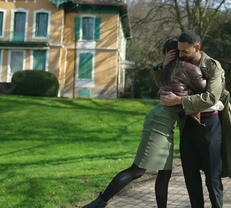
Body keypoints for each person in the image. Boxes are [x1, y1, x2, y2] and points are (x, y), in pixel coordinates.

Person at [83, 37, 211, 208]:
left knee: (165, 174)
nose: (183, 52)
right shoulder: (187, 69)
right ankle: (99, 203)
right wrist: (219, 75)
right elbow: (210, 90)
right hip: (159, 122)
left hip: (163, 121)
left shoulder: (168, 68)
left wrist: (163, 64)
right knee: (137, 170)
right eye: (180, 50)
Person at [160, 30, 231, 208]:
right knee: (190, 175)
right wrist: (164, 66)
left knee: (212, 176)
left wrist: (179, 100)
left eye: (185, 51)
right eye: (179, 51)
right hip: (187, 123)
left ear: (197, 48)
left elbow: (212, 97)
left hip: (210, 124)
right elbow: (165, 84)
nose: (181, 55)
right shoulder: (179, 63)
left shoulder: (213, 66)